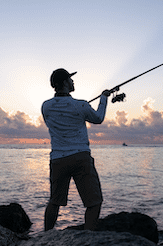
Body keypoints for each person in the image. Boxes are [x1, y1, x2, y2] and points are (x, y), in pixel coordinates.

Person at [41, 68, 112, 231]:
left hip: (58, 159)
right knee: (94, 202)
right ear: (65, 83)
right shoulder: (81, 105)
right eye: (71, 80)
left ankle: (46, 236)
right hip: (81, 158)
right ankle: (88, 237)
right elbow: (98, 118)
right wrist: (103, 98)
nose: (73, 82)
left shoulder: (45, 106)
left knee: (55, 201)